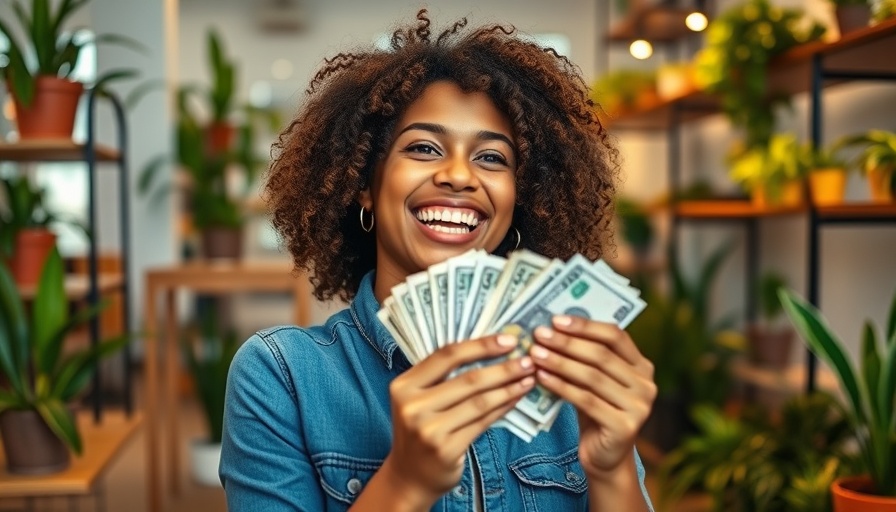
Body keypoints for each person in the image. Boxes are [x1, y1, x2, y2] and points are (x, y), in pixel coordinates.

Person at [220, 9, 657, 511]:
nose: (458, 175)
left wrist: (612, 466)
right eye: (424, 148)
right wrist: (404, 481)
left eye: (492, 157)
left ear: (520, 199)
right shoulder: (282, 376)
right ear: (364, 184)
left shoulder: (569, 368)